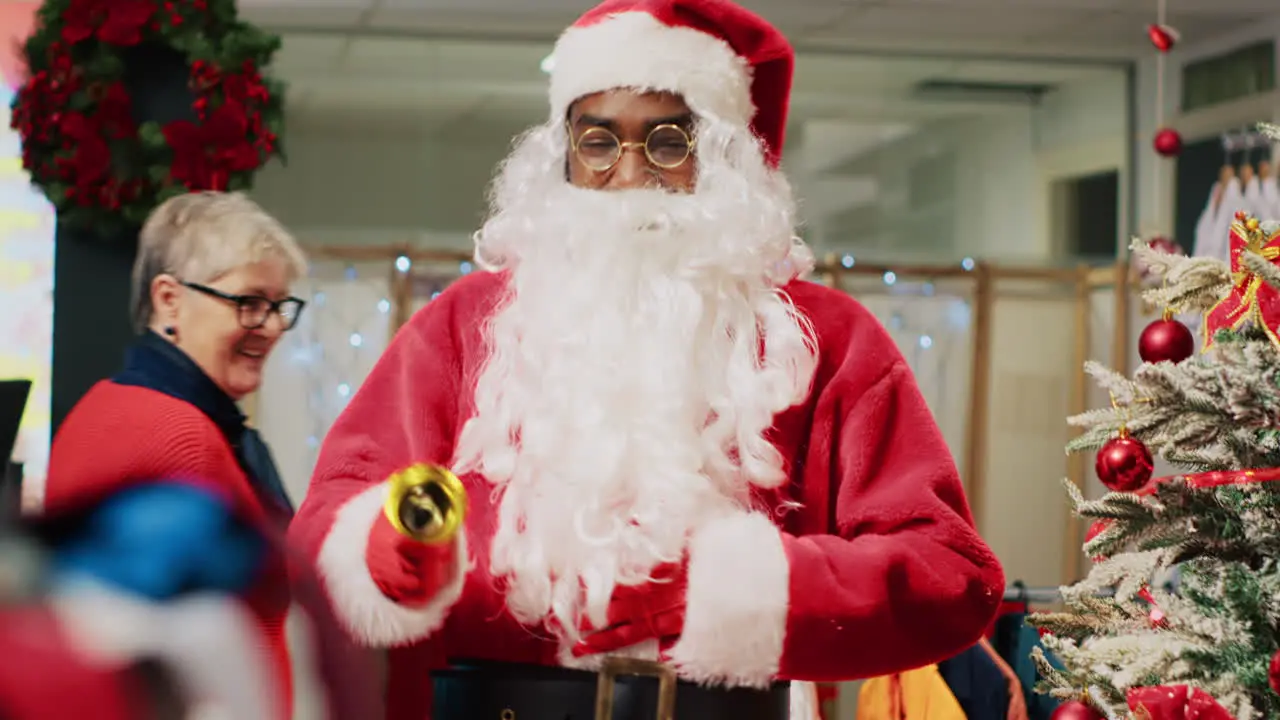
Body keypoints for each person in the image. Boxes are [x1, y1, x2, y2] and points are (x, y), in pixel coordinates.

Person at [290, 0, 1006, 718]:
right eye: (598, 140)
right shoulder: (466, 324)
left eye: (666, 141)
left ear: (720, 155)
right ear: (564, 151)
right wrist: (388, 558)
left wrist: (729, 590)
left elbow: (951, 575)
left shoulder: (821, 336)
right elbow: (329, 521)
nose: (629, 174)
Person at [40, 191, 307, 719]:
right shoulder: (171, 433)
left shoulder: (131, 408)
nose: (272, 326)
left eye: (279, 305)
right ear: (169, 300)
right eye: (249, 303)